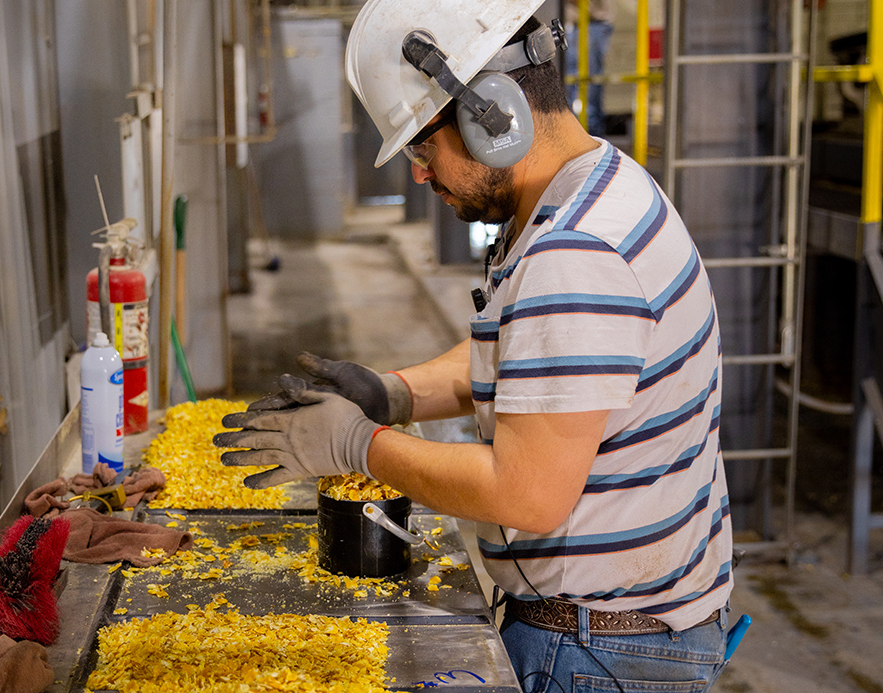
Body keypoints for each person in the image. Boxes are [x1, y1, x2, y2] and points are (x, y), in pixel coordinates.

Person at [214, 1, 734, 691]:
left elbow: (525, 493)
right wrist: (395, 391)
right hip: (628, 630)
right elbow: (540, 368)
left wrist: (357, 445)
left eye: (422, 148)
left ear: (489, 113)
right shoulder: (598, 186)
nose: (419, 175)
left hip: (601, 654)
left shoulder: (574, 251)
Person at [565, 0, 614, 137]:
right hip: (571, 24)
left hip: (593, 23)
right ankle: (573, 133)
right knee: (569, 83)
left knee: (590, 83)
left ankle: (591, 135)